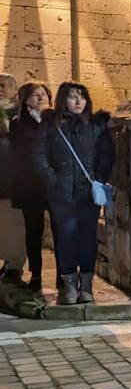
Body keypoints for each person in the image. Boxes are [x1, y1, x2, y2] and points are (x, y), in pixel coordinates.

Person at [32, 82, 114, 305]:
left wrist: (98, 178)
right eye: (72, 97)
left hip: (88, 193)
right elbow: (39, 156)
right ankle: (68, 285)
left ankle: (86, 284)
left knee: (88, 238)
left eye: (82, 97)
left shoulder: (96, 126)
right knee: (66, 238)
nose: (78, 102)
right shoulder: (52, 126)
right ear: (63, 100)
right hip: (62, 193)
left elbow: (106, 155)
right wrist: (54, 181)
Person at [9, 83, 52, 294]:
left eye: (43, 94)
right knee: (33, 232)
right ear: (25, 100)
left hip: (53, 186)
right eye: (35, 95)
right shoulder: (18, 124)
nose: (40, 97)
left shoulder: (56, 120)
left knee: (60, 231)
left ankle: (65, 275)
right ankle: (36, 274)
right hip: (31, 186)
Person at [0, 74, 24, 284]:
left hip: (13, 179)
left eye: (3, 86)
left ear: (14, 90)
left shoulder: (20, 113)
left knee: (14, 225)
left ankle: (14, 265)